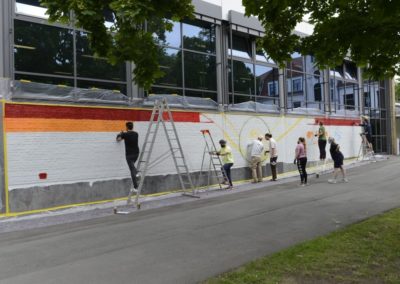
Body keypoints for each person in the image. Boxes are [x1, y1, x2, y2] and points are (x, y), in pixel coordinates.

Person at [116, 122, 140, 191]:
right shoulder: (136, 134)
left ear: (126, 127)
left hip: (129, 155)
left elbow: (118, 139)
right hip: (136, 153)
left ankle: (137, 176)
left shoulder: (125, 134)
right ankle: (136, 184)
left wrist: (120, 134)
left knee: (132, 169)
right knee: (132, 169)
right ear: (132, 127)